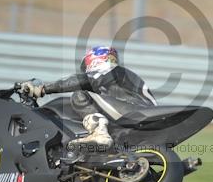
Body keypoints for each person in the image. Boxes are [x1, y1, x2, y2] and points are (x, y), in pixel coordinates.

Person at [17, 46, 157, 162]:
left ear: (94, 60)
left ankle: (99, 134)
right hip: (136, 116)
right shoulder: (116, 78)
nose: (86, 70)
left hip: (135, 110)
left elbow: (82, 81)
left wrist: (43, 89)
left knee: (79, 95)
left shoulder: (109, 69)